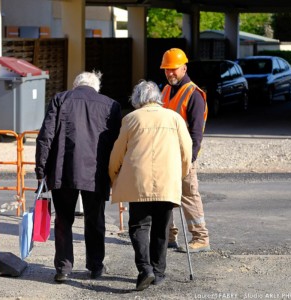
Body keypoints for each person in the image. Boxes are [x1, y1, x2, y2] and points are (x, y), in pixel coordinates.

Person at [35, 71, 122, 283]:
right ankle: (95, 266)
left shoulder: (60, 99)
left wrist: (41, 170)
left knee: (64, 220)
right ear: (96, 87)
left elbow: (46, 136)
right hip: (96, 172)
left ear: (76, 85)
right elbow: (117, 143)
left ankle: (63, 268)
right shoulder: (111, 105)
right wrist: (116, 174)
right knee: (95, 220)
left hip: (64, 170)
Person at [109, 80, 192, 291]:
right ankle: (159, 272)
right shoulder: (175, 117)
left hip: (138, 182)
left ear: (137, 99)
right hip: (168, 180)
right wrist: (182, 173)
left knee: (139, 226)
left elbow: (118, 151)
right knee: (162, 227)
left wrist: (113, 175)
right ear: (157, 97)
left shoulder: (130, 119)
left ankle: (145, 269)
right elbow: (187, 149)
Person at [159, 48, 211, 253]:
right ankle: (168, 236)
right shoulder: (164, 90)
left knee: (189, 195)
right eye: (166, 70)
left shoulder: (194, 94)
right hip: (164, 154)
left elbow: (197, 133)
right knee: (165, 196)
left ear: (184, 68)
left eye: (173, 69)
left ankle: (201, 238)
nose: (170, 73)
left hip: (183, 155)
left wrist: (190, 159)